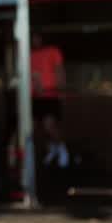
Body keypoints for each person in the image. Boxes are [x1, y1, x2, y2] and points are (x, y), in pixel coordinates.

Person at [30, 32, 68, 168]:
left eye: (37, 38)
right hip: (33, 97)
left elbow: (59, 71)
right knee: (32, 127)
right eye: (33, 38)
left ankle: (62, 149)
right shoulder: (28, 54)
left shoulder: (53, 51)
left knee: (49, 125)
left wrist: (61, 91)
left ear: (42, 38)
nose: (35, 41)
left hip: (50, 94)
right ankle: (52, 149)